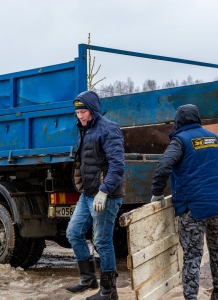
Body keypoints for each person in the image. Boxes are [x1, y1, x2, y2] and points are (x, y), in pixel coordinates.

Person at [151, 104, 218, 300]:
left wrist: (156, 193)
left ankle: (191, 297)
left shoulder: (180, 140)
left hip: (194, 209)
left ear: (178, 121)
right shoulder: (214, 138)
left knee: (192, 256)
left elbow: (163, 165)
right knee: (216, 248)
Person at [66, 90, 125, 300]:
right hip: (88, 194)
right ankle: (88, 278)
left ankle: (109, 291)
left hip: (106, 196)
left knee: (102, 241)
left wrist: (104, 191)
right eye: (77, 112)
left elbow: (118, 166)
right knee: (73, 233)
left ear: (93, 110)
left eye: (83, 111)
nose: (79, 116)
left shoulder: (109, 129)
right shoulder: (85, 129)